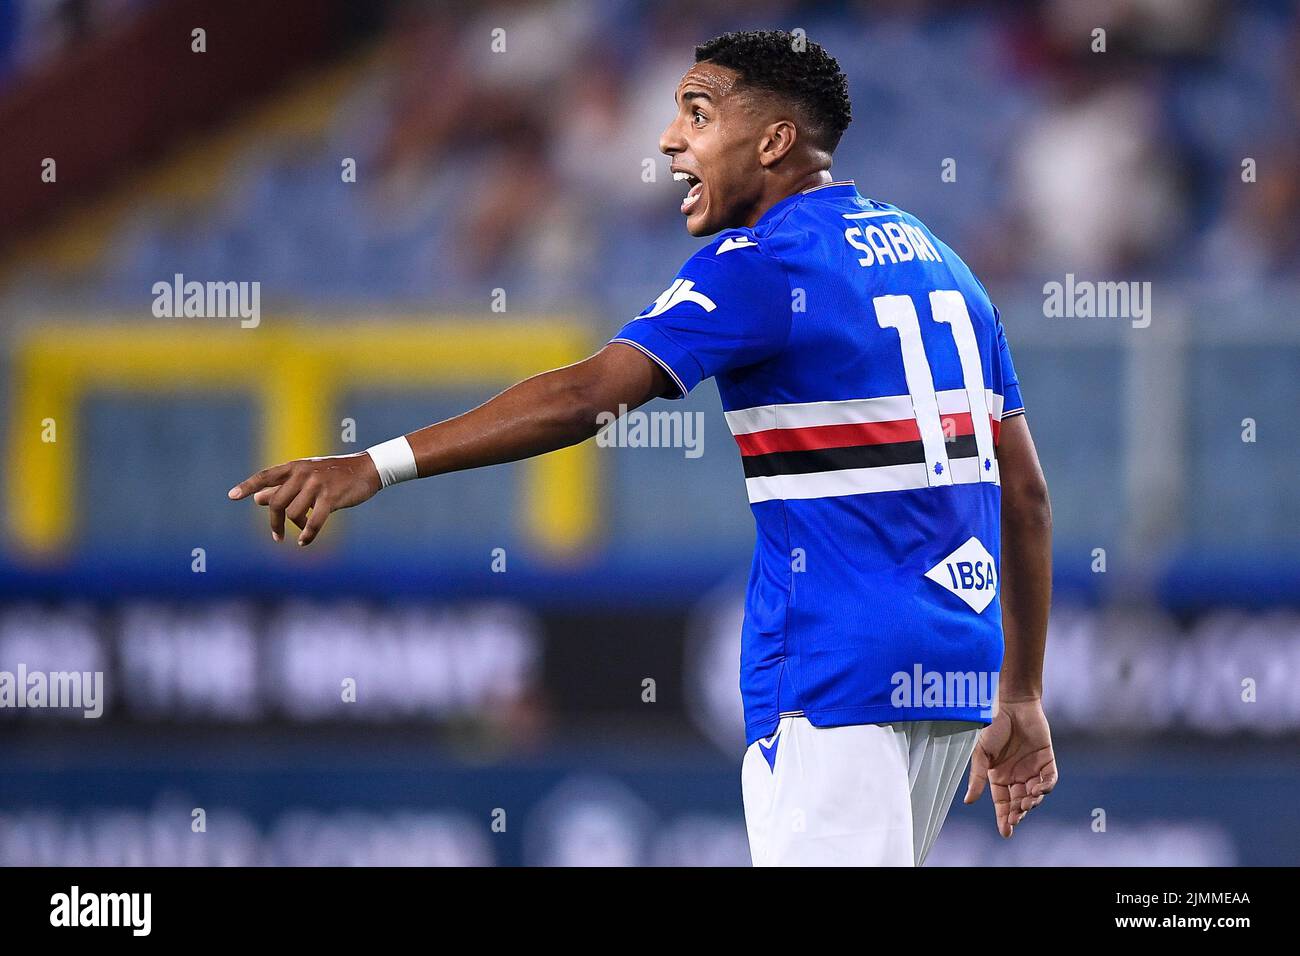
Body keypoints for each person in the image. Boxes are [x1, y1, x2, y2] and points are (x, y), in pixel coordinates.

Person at [229, 29, 1057, 866]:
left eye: (697, 115)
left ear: (772, 142)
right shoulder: (947, 265)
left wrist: (374, 463)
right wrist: (1020, 690)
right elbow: (1025, 496)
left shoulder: (764, 263)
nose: (670, 140)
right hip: (954, 670)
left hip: (834, 669)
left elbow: (588, 395)